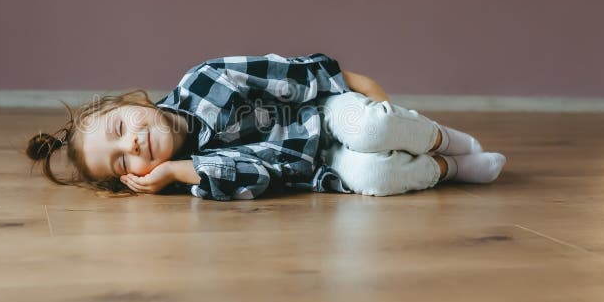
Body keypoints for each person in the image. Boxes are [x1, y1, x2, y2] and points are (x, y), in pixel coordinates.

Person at [25, 53, 506, 200]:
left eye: (122, 128)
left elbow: (296, 76)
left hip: (326, 109)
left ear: (133, 102)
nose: (133, 143)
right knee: (372, 179)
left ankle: (447, 140)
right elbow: (263, 174)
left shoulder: (206, 80)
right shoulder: (196, 175)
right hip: (321, 166)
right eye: (123, 160)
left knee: (369, 132)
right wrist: (179, 171)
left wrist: (360, 91)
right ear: (133, 179)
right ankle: (443, 169)